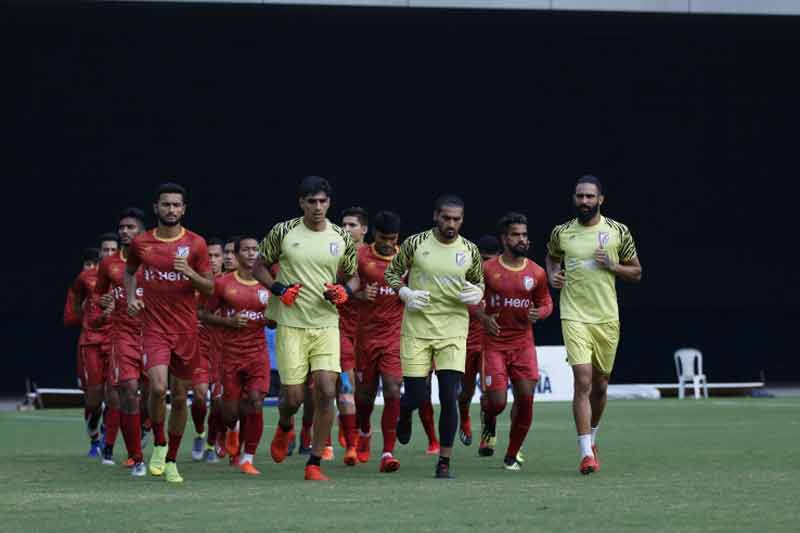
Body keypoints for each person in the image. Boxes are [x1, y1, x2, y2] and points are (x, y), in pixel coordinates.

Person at [252, 176, 358, 481]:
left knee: (327, 391)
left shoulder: (341, 236)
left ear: (329, 204)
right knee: (293, 398)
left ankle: (314, 463)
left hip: (326, 323)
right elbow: (259, 266)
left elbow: (354, 277)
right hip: (291, 324)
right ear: (301, 203)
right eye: (311, 201)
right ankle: (285, 426)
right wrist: (278, 289)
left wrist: (345, 292)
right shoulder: (283, 231)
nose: (317, 207)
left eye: (323, 201)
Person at [545, 175, 642, 475]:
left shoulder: (617, 232)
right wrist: (553, 276)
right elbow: (551, 257)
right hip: (573, 314)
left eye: (590, 196)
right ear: (573, 199)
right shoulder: (561, 232)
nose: (584, 201)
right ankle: (585, 452)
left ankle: (593, 437)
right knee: (583, 380)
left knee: (600, 386)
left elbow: (637, 272)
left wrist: (613, 266)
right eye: (579, 196)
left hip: (606, 317)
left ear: (601, 199)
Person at [385, 194, 484, 479]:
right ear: (436, 217)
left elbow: (478, 281)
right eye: (446, 218)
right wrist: (404, 292)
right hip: (417, 329)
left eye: (457, 219)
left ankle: (444, 462)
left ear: (462, 220)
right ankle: (405, 412)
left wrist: (478, 292)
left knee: (449, 396)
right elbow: (392, 274)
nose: (451, 224)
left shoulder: (470, 250)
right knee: (417, 396)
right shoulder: (415, 244)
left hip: (453, 330)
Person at [125, 182, 213, 483]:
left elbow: (210, 287)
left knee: (179, 397)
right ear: (156, 208)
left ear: (184, 209)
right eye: (166, 204)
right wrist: (132, 296)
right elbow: (129, 272)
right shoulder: (141, 243)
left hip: (186, 330)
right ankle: (159, 443)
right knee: (157, 388)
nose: (171, 210)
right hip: (154, 328)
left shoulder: (197, 244)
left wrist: (189, 273)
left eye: (176, 205)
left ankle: (173, 458)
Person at [476, 213, 552, 470]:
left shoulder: (537, 273)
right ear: (504, 238)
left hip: (523, 345)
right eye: (515, 235)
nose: (522, 239)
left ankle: (511, 453)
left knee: (526, 399)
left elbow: (547, 303)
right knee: (497, 403)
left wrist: (539, 313)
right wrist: (483, 317)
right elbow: (469, 298)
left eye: (524, 235)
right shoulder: (487, 269)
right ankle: (489, 420)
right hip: (495, 344)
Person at [207, 236, 272, 475]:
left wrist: (274, 318)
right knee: (230, 411)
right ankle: (229, 429)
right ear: (235, 254)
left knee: (255, 400)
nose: (252, 253)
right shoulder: (223, 284)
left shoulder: (267, 284)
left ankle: (248, 457)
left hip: (257, 354)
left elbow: (274, 321)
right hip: (229, 355)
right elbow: (202, 314)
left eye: (255, 249)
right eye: (246, 249)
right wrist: (229, 321)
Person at [94, 208, 148, 475]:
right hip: (122, 334)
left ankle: (150, 433)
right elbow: (100, 296)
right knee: (127, 389)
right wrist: (104, 304)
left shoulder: (155, 261)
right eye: (122, 227)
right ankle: (136, 458)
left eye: (131, 227)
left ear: (142, 232)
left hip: (153, 335)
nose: (125, 231)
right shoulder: (108, 264)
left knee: (154, 396)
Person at [352, 211, 404, 472]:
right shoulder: (360, 256)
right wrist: (361, 293)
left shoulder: (406, 257)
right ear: (374, 234)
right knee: (365, 396)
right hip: (365, 336)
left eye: (393, 238)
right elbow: (342, 290)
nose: (388, 243)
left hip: (395, 335)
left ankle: (387, 453)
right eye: (384, 238)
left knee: (394, 389)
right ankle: (363, 430)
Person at [70, 234, 119, 457]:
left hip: (117, 340)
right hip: (91, 341)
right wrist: (89, 322)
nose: (109, 255)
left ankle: (105, 438)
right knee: (93, 397)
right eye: (105, 250)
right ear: (100, 253)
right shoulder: (86, 278)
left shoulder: (126, 274)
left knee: (114, 394)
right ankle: (93, 434)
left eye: (112, 250)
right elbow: (76, 304)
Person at [458, 235, 500, 447]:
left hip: (491, 344)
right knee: (466, 393)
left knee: (490, 393)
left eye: (490, 259)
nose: (486, 265)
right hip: (466, 341)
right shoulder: (466, 277)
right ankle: (464, 419)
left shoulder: (502, 279)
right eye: (482, 259)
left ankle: (487, 434)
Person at [336, 206, 368, 464]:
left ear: (364, 230)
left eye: (351, 225)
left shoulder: (380, 255)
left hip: (374, 334)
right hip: (341, 329)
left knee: (364, 393)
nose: (345, 230)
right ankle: (350, 445)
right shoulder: (335, 255)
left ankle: (357, 430)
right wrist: (354, 293)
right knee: (345, 388)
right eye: (343, 225)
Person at [191, 237, 225, 462]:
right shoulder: (194, 285)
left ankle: (212, 444)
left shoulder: (232, 284)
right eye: (208, 256)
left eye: (216, 256)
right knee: (201, 396)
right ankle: (199, 433)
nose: (212, 260)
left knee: (221, 402)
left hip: (226, 352)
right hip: (200, 350)